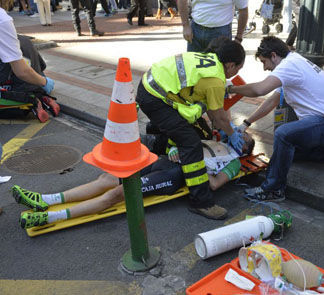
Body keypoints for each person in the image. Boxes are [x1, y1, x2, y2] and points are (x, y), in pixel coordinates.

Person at [13, 133, 255, 229]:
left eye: (242, 139)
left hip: (175, 175)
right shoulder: (214, 139)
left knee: (118, 194)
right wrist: (173, 149)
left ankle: (50, 216)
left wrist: (196, 165)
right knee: (107, 178)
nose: (236, 135)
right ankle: (45, 199)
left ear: (244, 149)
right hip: (165, 161)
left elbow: (213, 184)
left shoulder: (233, 162)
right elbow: (181, 141)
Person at [227, 36, 324, 202]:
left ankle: (273, 189)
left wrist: (230, 88)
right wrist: (246, 124)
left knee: (283, 134)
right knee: (287, 154)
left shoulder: (288, 65)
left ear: (273, 55)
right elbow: (271, 101)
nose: (265, 68)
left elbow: (260, 89)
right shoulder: (293, 62)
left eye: (264, 62)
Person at [136, 37, 246, 220]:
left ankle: (152, 142)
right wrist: (233, 134)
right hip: (156, 97)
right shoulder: (216, 79)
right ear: (230, 65)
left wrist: (227, 128)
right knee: (191, 144)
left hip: (151, 85)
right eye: (238, 69)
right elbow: (218, 117)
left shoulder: (205, 60)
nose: (235, 74)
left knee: (183, 130)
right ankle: (201, 202)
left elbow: (213, 114)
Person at [0, 7, 55, 121]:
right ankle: (32, 95)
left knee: (20, 43)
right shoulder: (2, 19)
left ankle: (31, 94)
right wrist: (44, 82)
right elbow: (22, 71)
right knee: (22, 43)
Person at [177, 0, 248, 52]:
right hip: (195, 30)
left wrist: (239, 38)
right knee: (193, 66)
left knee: (218, 69)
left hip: (221, 33)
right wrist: (185, 25)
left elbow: (243, 10)